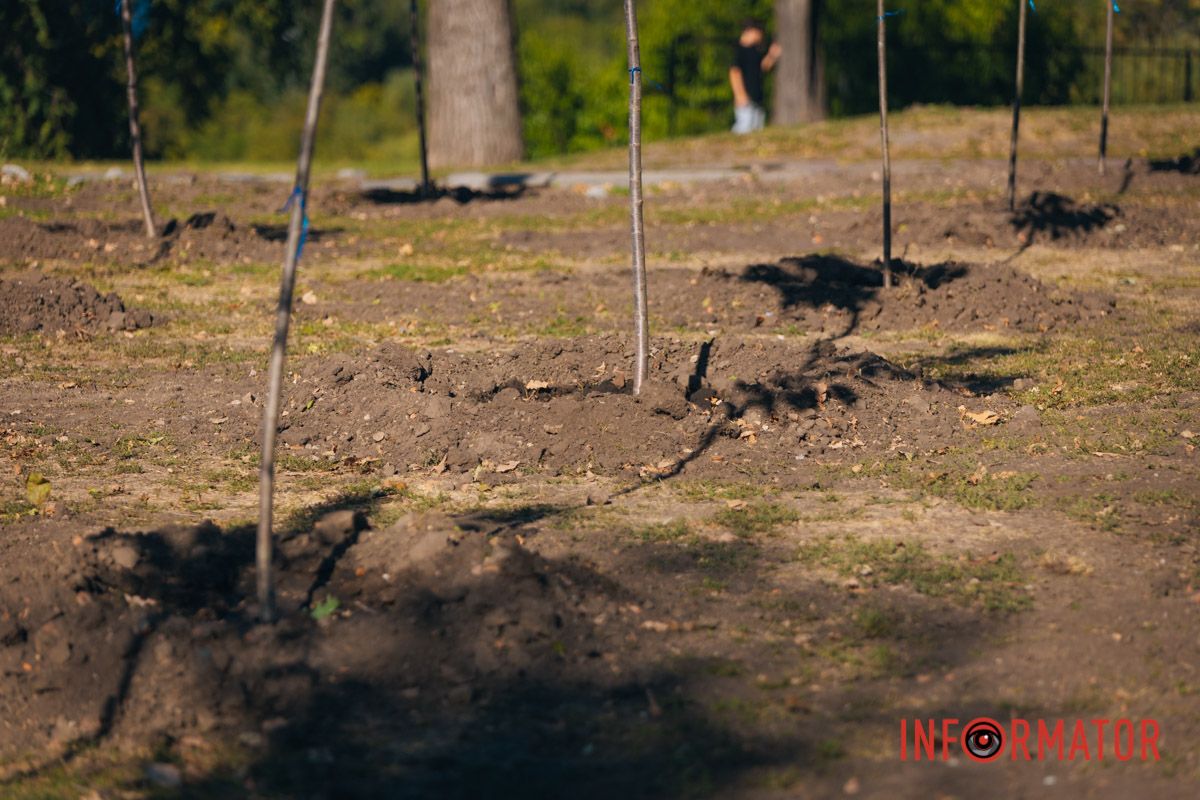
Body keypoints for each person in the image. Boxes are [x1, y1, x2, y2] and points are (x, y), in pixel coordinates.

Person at [729, 19, 781, 134]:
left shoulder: (755, 51)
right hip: (745, 97)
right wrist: (740, 94)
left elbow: (763, 67)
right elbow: (734, 73)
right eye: (758, 32)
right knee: (745, 126)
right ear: (749, 31)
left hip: (757, 96)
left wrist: (772, 56)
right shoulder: (739, 50)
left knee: (757, 128)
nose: (760, 36)